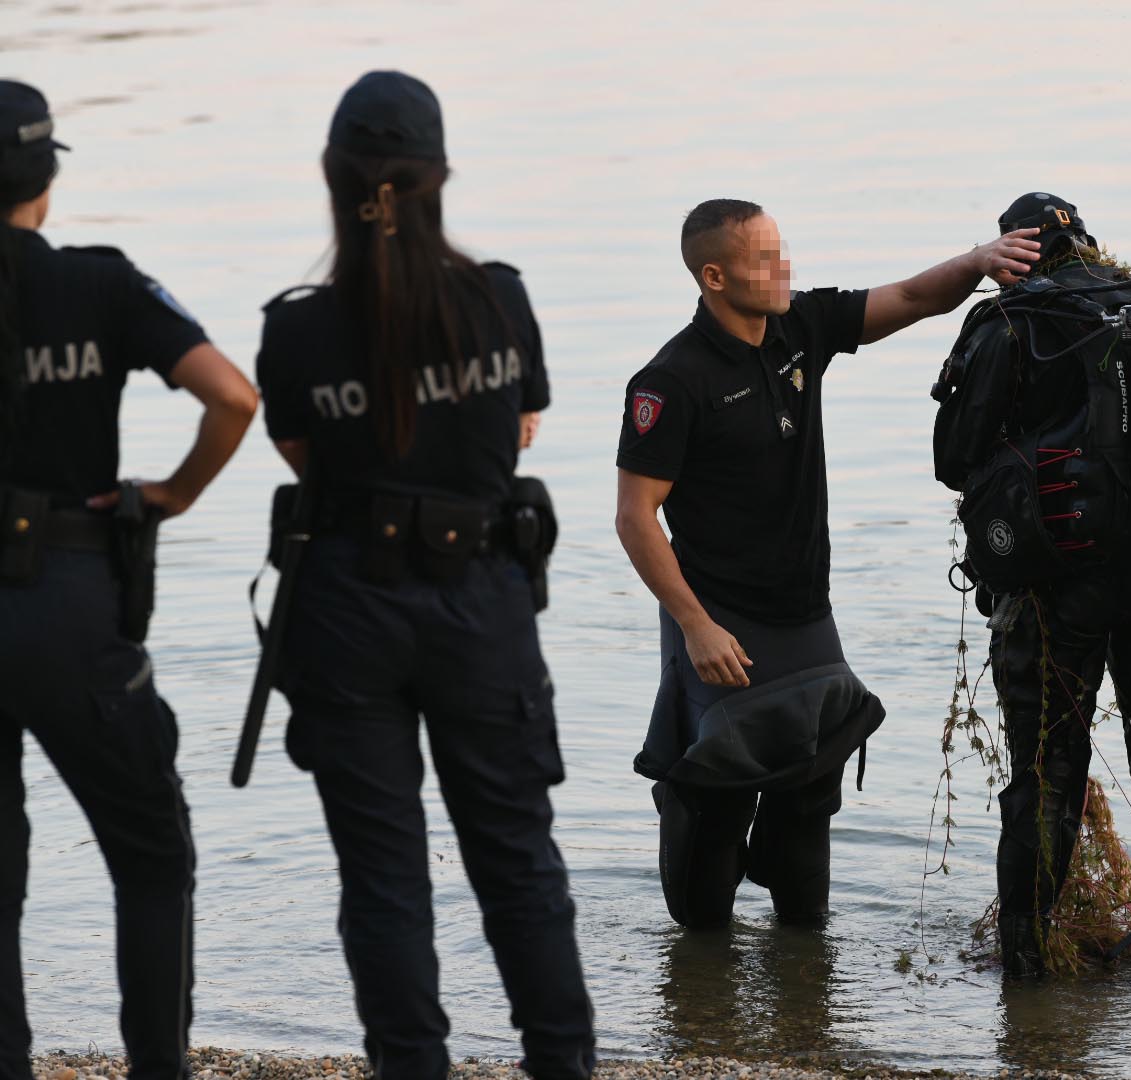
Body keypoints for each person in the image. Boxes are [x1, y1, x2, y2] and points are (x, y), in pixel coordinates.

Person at [254, 71, 593, 1079]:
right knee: (519, 863)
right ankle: (562, 1066)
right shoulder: (501, 296)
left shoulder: (297, 327)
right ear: (439, 177)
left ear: (333, 179)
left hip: (348, 602)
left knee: (384, 878)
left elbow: (306, 458)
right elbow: (522, 426)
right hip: (480, 598)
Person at [615, 198, 1041, 928]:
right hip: (720, 623)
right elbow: (634, 517)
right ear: (714, 276)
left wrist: (978, 261)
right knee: (711, 830)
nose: (783, 270)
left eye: (782, 251)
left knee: (809, 813)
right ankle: (700, 996)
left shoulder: (798, 328)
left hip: (806, 614)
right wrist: (695, 625)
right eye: (762, 260)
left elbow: (909, 297)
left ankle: (806, 1007)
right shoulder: (671, 380)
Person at [0, 80, 257, 1080]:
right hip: (71, 600)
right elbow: (232, 396)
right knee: (150, 852)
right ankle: (159, 1066)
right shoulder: (102, 284)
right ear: (45, 182)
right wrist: (178, 493)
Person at [933, 193, 1131, 982]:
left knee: (1045, 782)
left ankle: (1026, 981)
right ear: (1092, 244)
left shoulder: (1006, 321)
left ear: (1017, 253)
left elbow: (952, 458)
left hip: (1049, 594)